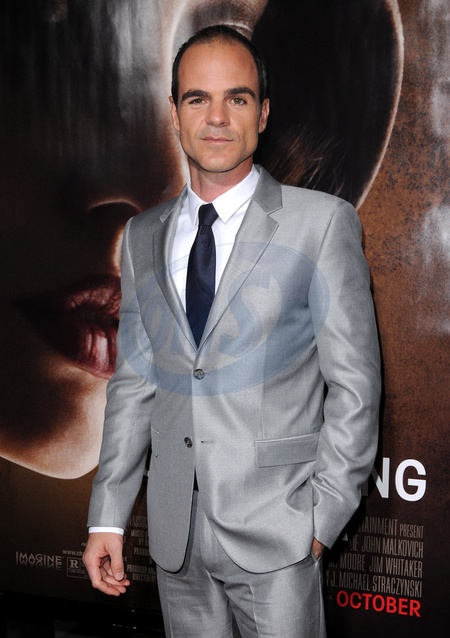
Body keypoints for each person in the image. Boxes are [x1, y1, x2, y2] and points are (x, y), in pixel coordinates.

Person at [83, 24, 381, 637]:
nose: (216, 118)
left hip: (280, 533)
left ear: (263, 112)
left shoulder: (321, 224)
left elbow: (356, 387)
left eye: (237, 98)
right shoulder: (142, 236)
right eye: (198, 98)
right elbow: (134, 384)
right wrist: (106, 517)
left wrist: (320, 519)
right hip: (176, 538)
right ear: (174, 112)